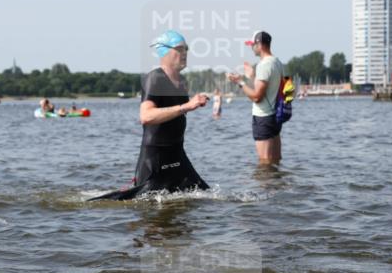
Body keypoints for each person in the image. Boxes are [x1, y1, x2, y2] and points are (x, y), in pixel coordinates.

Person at [91, 30, 208, 200]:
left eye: (186, 49)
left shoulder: (182, 81)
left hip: (177, 152)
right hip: (156, 156)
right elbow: (146, 116)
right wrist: (186, 106)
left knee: (205, 196)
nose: (185, 53)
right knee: (144, 202)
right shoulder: (155, 78)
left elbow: (175, 112)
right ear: (164, 51)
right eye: (179, 49)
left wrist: (192, 104)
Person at [226, 30, 284, 164]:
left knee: (265, 164)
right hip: (275, 116)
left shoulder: (264, 65)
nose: (251, 48)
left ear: (260, 45)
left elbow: (257, 97)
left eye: (253, 45)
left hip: (263, 118)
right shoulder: (277, 62)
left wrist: (240, 82)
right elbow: (269, 89)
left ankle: (265, 179)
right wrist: (252, 76)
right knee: (275, 161)